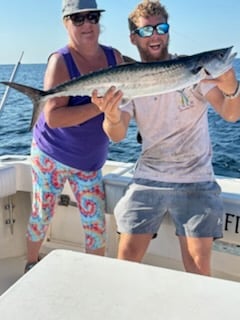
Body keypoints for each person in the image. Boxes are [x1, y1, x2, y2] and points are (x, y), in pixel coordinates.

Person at [92, 0, 240, 276]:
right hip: (148, 177)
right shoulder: (128, 80)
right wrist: (110, 116)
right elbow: (117, 133)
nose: (155, 35)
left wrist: (232, 89)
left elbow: (230, 114)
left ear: (168, 31)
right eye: (146, 31)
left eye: (161, 28)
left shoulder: (195, 70)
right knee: (126, 259)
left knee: (198, 265)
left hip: (197, 179)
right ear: (133, 38)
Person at [24, 0, 125, 272]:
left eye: (92, 17)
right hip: (50, 156)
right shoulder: (60, 61)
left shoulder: (114, 57)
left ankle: (94, 276)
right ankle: (30, 263)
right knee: (41, 214)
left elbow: (136, 80)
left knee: (95, 225)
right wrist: (98, 106)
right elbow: (54, 117)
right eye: (78, 19)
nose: (87, 24)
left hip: (90, 162)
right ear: (65, 23)